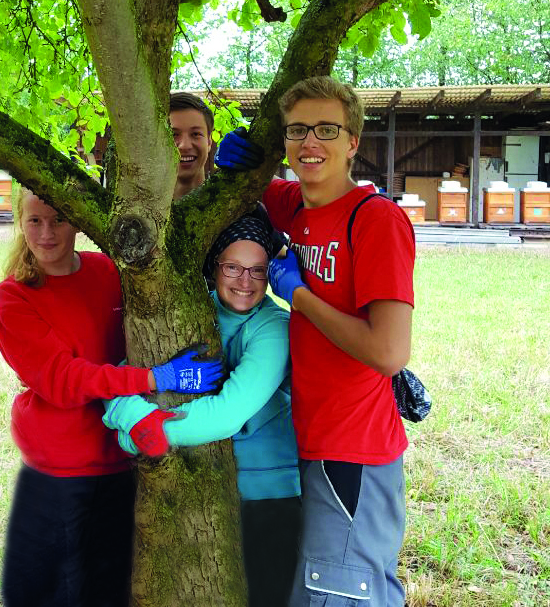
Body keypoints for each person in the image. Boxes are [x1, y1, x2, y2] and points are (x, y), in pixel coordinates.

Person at [216, 76, 416, 606]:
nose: (311, 143)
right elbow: (259, 186)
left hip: (352, 451)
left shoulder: (375, 220)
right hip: (303, 444)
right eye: (297, 130)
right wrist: (234, 157)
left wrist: (298, 296)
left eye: (327, 130)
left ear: (353, 142)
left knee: (343, 594)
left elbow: (390, 353)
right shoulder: (295, 209)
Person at [0, 188, 224, 607]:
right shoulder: (13, 297)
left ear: (77, 221)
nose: (46, 233)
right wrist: (155, 378)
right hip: (60, 471)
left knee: (111, 589)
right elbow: (63, 381)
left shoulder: (105, 271)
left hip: (121, 459)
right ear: (20, 224)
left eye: (58, 219)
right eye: (34, 221)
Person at [103, 213, 301, 607]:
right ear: (215, 267)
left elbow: (230, 413)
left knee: (265, 597)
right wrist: (131, 420)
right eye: (233, 268)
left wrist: (154, 432)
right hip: (202, 481)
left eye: (257, 271)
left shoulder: (274, 326)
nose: (245, 282)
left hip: (269, 494)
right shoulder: (193, 310)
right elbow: (120, 380)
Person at [169, 92, 214, 200]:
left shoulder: (244, 209)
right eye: (173, 134)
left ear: (209, 142)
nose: (185, 146)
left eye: (195, 134)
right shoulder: (132, 210)